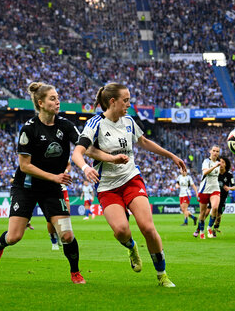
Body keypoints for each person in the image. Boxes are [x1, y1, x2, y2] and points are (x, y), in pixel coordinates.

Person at [0, 82, 108, 284]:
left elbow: (84, 148)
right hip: (26, 187)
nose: (57, 101)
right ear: (41, 103)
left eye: (57, 97)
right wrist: (55, 177)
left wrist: (109, 157)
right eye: (52, 98)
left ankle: (75, 272)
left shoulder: (66, 126)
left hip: (51, 189)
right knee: (15, 236)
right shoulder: (28, 129)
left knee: (67, 235)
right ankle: (0, 245)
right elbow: (25, 166)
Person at [72, 82, 186, 288]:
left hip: (131, 179)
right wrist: (85, 168)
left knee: (147, 228)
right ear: (112, 102)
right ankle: (131, 247)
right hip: (107, 186)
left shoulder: (129, 121)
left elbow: (143, 142)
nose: (128, 105)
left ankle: (162, 275)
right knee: (121, 231)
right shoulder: (94, 123)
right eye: (126, 101)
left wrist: (171, 155)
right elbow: (78, 152)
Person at [194, 145, 221, 239]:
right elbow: (205, 172)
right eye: (214, 151)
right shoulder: (206, 161)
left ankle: (209, 227)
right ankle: (201, 231)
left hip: (215, 188)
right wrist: (215, 166)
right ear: (210, 151)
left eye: (217, 151)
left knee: (215, 207)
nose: (215, 153)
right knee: (202, 213)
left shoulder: (219, 162)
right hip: (204, 189)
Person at [47, 162, 72, 250]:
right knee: (50, 218)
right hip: (50, 187)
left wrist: (66, 171)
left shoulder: (63, 150)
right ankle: (53, 240)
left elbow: (69, 164)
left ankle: (60, 235)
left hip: (63, 188)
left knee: (67, 213)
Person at [214, 155, 235, 234]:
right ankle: (209, 228)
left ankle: (215, 228)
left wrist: (229, 188)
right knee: (214, 212)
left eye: (223, 162)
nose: (221, 164)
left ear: (226, 164)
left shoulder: (229, 175)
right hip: (214, 195)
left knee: (219, 215)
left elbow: (234, 187)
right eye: (220, 162)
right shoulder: (215, 172)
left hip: (223, 197)